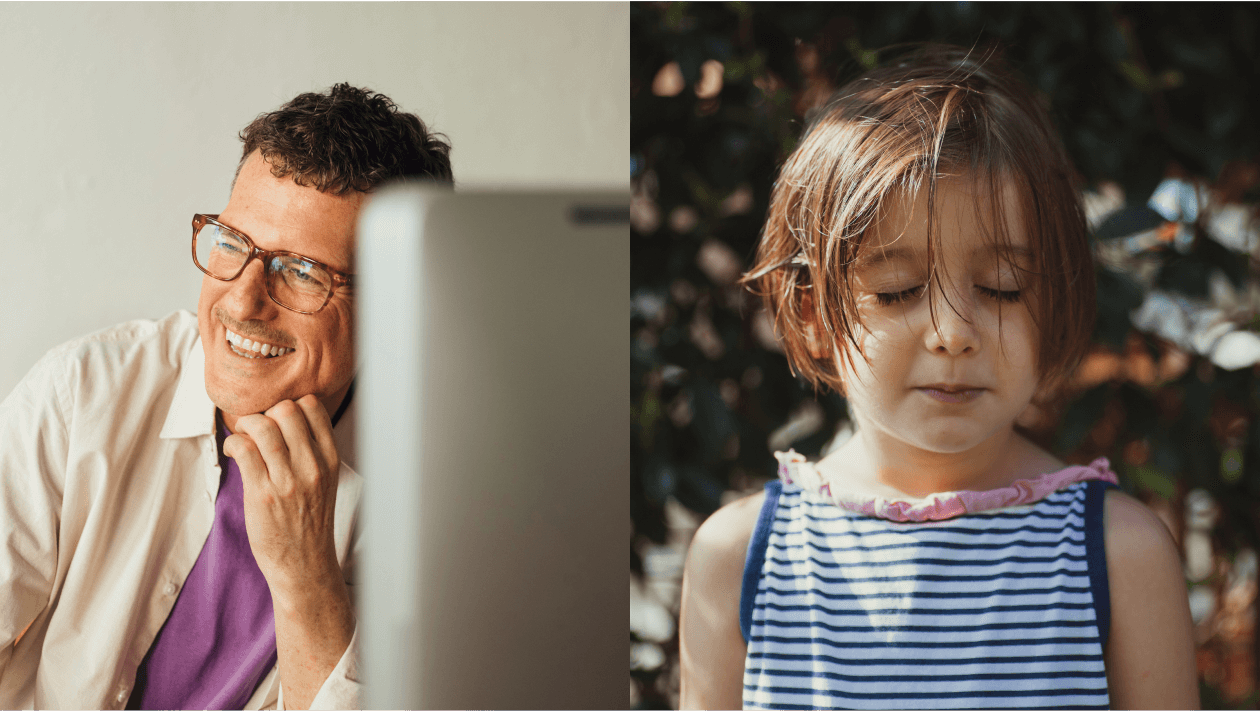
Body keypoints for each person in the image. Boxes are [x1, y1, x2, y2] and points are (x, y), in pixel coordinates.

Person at [679, 45, 1198, 710]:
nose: (953, 331)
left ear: (1056, 300)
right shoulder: (742, 557)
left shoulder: (1119, 556)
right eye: (897, 291)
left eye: (1002, 287)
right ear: (812, 313)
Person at [0, 84, 452, 709]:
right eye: (233, 244)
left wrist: (306, 582)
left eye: (302, 272)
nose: (241, 301)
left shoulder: (439, 506)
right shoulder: (82, 395)